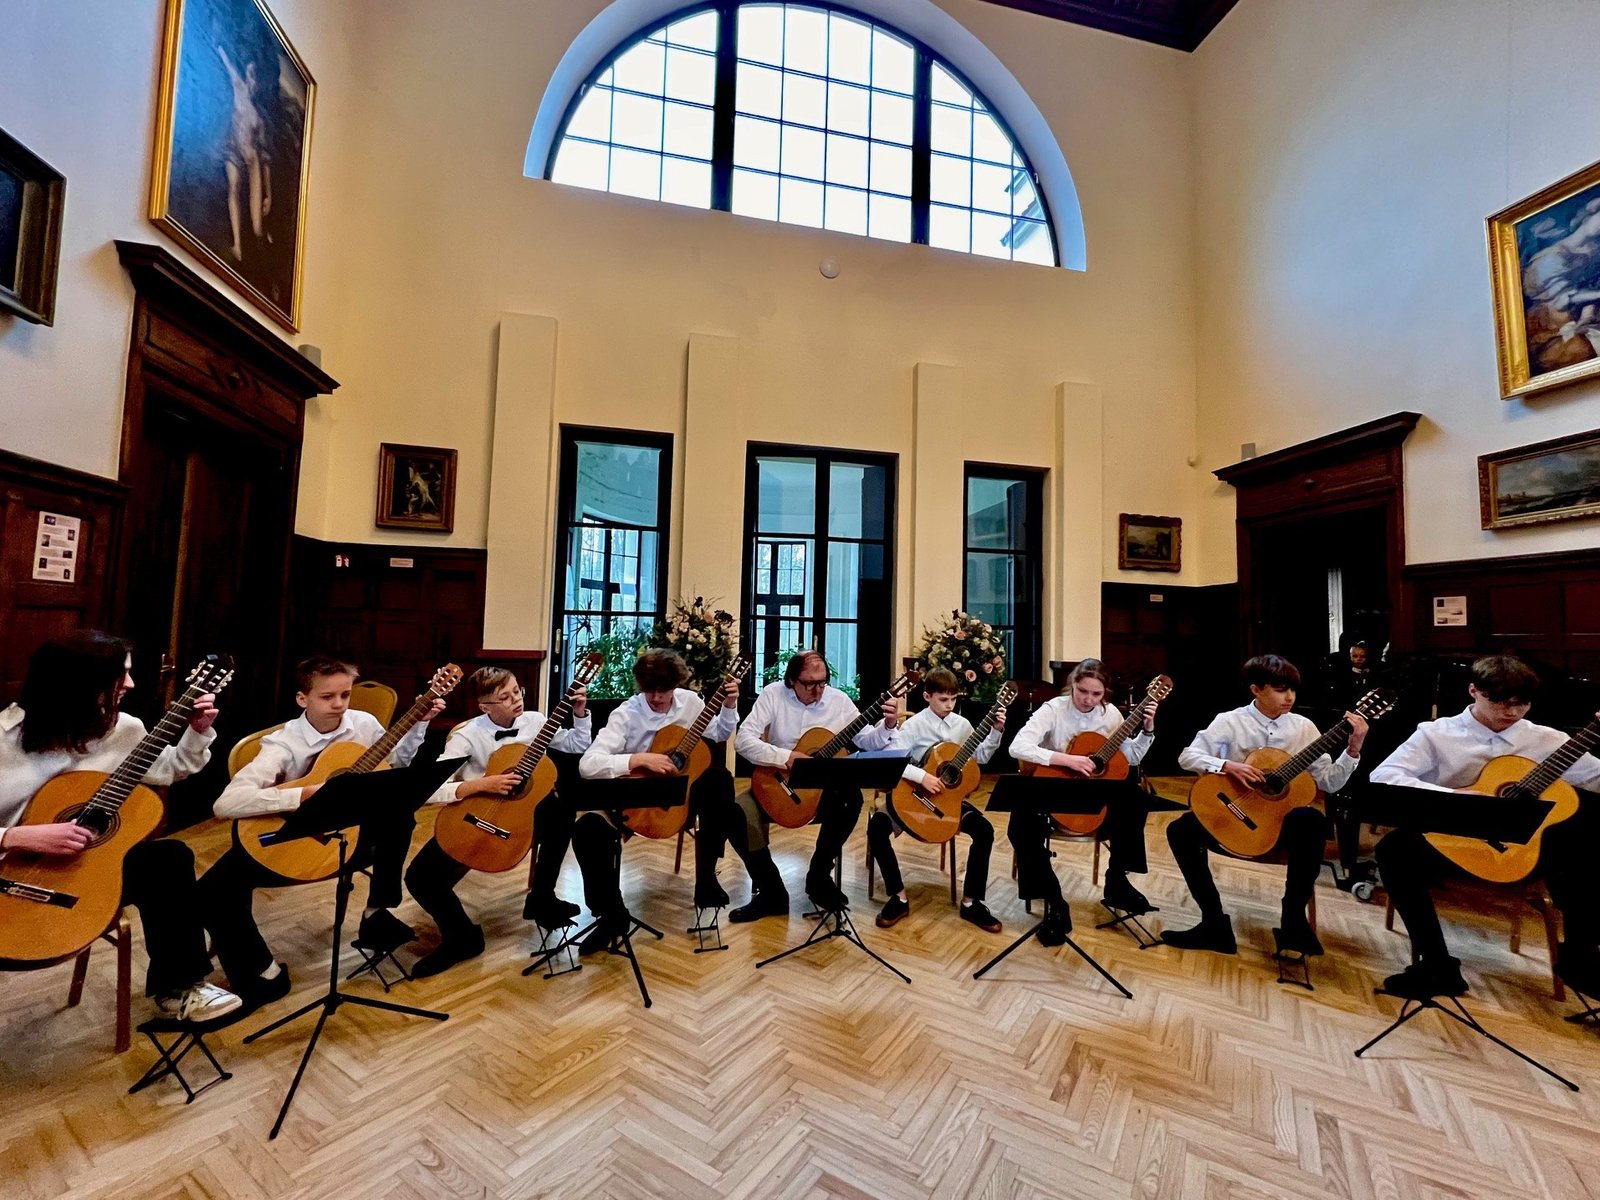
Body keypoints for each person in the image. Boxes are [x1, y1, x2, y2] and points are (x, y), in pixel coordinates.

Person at [0, 631, 239, 1022]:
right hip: (8, 872)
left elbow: (170, 769)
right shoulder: (3, 739)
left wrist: (196, 733)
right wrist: (17, 835)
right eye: (119, 675)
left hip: (82, 869)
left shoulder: (123, 728)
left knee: (168, 857)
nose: (130, 684)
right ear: (76, 682)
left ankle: (180, 986)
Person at [199, 655, 441, 1009]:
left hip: (353, 839)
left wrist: (419, 725)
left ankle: (377, 912)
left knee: (400, 812)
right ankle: (261, 973)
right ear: (303, 699)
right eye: (327, 697)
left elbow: (394, 767)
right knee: (212, 890)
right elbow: (226, 804)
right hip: (294, 839)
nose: (339, 704)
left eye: (345, 694)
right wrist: (302, 794)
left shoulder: (363, 724)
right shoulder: (282, 744)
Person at [1371, 654, 1600, 999]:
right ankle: (1437, 965)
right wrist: (1454, 795)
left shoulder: (1547, 739)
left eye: (1522, 703)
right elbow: (1384, 776)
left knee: (1583, 845)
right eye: (1500, 702)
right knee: (1393, 850)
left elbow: (1596, 778)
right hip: (1455, 844)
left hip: (1523, 852)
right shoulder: (1436, 734)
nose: (1512, 712)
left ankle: (1581, 960)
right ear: (1473, 691)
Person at [1163, 653, 1367, 956]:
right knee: (1180, 830)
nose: (1289, 697)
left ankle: (1293, 921)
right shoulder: (1230, 721)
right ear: (1256, 689)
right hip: (1233, 819)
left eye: (1293, 690)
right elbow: (1187, 757)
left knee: (1311, 821)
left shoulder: (1304, 728)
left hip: (1277, 826)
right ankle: (1213, 923)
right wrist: (1227, 766)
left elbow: (1330, 782)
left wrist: (1353, 748)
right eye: (1280, 690)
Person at [402, 667, 591, 977]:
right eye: (505, 697)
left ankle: (542, 897)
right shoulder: (466, 736)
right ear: (484, 706)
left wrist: (580, 715)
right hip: (476, 816)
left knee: (561, 810)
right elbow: (432, 787)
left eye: (517, 691)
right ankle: (461, 936)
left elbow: (575, 746)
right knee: (419, 879)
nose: (516, 700)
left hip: (521, 815)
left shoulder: (535, 721)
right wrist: (482, 784)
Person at [574, 649, 741, 951]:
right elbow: (588, 765)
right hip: (635, 801)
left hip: (684, 798)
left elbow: (719, 732)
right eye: (649, 690)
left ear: (676, 684)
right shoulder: (626, 714)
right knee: (587, 831)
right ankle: (611, 915)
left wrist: (729, 706)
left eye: (664, 690)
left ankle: (706, 879)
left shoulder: (691, 703)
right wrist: (637, 759)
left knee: (720, 781)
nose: (656, 697)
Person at [727, 650, 901, 921]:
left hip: (822, 795)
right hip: (776, 784)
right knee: (736, 814)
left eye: (822, 682)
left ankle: (819, 876)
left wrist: (888, 725)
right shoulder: (773, 695)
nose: (818, 690)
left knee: (851, 798)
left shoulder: (838, 701)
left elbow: (868, 740)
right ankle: (772, 892)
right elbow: (743, 741)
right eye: (809, 684)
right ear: (791, 680)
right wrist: (786, 757)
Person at [1006, 660, 1158, 945]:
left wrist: (1147, 731)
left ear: (1105, 693)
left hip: (1095, 791)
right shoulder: (1053, 709)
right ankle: (1054, 900)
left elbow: (1131, 757)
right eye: (1082, 691)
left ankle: (1117, 881)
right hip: (1055, 786)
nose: (1088, 699)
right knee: (1020, 826)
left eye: (1096, 694)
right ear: (1072, 685)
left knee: (1136, 801)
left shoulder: (1110, 715)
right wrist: (1067, 759)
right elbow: (1018, 746)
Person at [866, 668, 1005, 933]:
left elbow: (980, 758)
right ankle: (898, 897)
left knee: (985, 830)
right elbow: (891, 760)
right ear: (927, 696)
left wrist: (995, 733)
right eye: (943, 699)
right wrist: (922, 777)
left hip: (948, 802)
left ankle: (971, 902)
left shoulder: (962, 725)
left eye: (953, 699)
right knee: (877, 828)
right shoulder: (914, 725)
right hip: (913, 797)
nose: (949, 705)